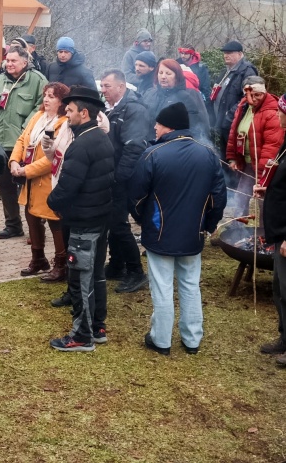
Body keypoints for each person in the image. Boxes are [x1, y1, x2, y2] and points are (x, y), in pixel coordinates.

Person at [129, 102, 227, 355]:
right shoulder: (207, 154)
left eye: (158, 124)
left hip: (160, 233)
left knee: (162, 286)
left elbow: (136, 197)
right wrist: (209, 224)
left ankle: (161, 340)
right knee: (190, 285)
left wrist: (143, 220)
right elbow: (218, 198)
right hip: (193, 233)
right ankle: (192, 339)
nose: (154, 127)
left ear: (169, 126)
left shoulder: (153, 155)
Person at [46, 85, 115, 352]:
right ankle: (97, 326)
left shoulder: (83, 144)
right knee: (96, 275)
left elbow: (67, 186)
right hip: (98, 218)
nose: (67, 114)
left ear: (84, 113)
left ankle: (82, 336)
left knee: (81, 278)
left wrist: (52, 202)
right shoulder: (100, 138)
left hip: (85, 222)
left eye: (71, 110)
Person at [0, 47, 47, 239]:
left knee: (29, 187)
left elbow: (42, 107)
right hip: (1, 143)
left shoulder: (37, 80)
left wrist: (26, 130)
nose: (9, 64)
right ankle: (13, 225)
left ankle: (36, 227)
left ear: (24, 62)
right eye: (7, 61)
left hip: (26, 144)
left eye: (13, 61)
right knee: (5, 186)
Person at [9, 82, 70, 280]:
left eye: (52, 96)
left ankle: (61, 264)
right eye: (45, 94)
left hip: (50, 179)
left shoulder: (64, 123)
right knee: (31, 217)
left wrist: (27, 170)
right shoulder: (37, 116)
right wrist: (13, 161)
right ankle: (38, 258)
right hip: (30, 179)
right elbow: (22, 139)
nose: (46, 99)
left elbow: (55, 156)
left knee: (54, 220)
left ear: (62, 101)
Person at [98, 69, 150, 294]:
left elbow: (134, 147)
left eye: (107, 86)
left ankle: (136, 272)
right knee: (112, 222)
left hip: (123, 177)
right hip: (112, 174)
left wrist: (118, 177)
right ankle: (117, 264)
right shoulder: (110, 109)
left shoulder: (134, 110)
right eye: (102, 86)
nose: (103, 90)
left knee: (118, 223)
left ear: (121, 87)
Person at [254, 93, 286, 367]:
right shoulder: (285, 144)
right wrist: (268, 188)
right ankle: (283, 337)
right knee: (279, 289)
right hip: (277, 231)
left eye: (281, 110)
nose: (277, 115)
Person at [225, 77, 284, 218]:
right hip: (247, 163)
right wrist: (232, 158)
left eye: (257, 94)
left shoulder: (271, 112)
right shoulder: (243, 106)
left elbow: (272, 147)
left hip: (262, 168)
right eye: (249, 95)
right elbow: (234, 132)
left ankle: (263, 235)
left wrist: (261, 178)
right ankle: (238, 232)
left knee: (259, 202)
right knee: (241, 200)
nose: (253, 98)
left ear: (264, 93)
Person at [141, 59, 210, 142]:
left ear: (177, 77)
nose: (163, 77)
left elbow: (193, 127)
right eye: (160, 73)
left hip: (172, 145)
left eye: (168, 73)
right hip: (148, 144)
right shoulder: (150, 94)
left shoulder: (185, 98)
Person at [212, 40, 259, 162]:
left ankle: (234, 180)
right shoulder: (225, 71)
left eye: (229, 53)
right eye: (224, 53)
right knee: (225, 156)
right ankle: (226, 180)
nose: (225, 55)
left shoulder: (247, 71)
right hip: (223, 123)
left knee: (234, 158)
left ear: (239, 54)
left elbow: (249, 98)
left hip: (234, 124)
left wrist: (231, 115)